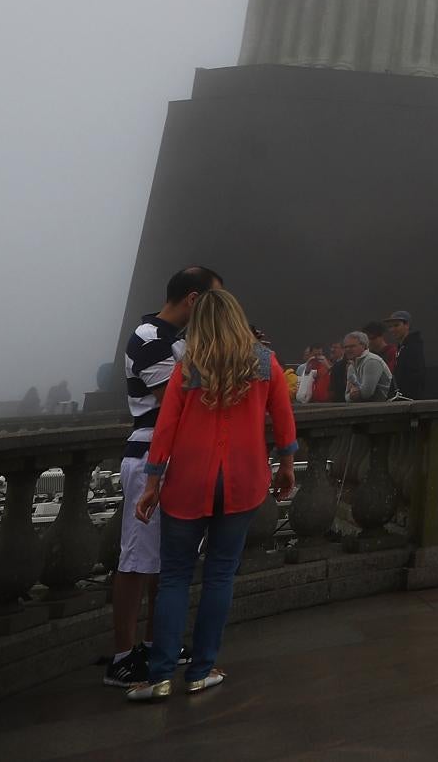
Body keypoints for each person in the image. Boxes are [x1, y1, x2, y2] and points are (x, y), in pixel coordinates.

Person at [126, 286, 297, 701]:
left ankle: (161, 675)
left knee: (174, 579)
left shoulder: (186, 369)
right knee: (220, 575)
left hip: (188, 482)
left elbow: (164, 430)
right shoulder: (265, 364)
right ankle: (201, 671)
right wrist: (287, 465)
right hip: (243, 481)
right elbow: (284, 421)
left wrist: (151, 483)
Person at [106, 264, 218, 689]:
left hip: (176, 457)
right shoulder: (150, 338)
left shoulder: (180, 341)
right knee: (136, 560)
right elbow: (177, 396)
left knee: (166, 561)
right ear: (193, 299)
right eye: (213, 299)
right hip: (149, 457)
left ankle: (156, 644)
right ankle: (122, 657)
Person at [343, 330, 394, 401]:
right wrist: (352, 395)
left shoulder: (372, 361)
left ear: (363, 346)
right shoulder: (351, 367)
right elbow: (347, 397)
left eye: (352, 346)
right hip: (369, 407)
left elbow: (366, 393)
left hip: (387, 407)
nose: (348, 349)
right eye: (345, 347)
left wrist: (355, 391)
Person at [389, 310, 428, 398]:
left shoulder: (413, 347)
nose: (392, 329)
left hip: (410, 400)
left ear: (407, 325)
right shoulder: (402, 347)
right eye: (390, 326)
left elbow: (416, 375)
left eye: (396, 325)